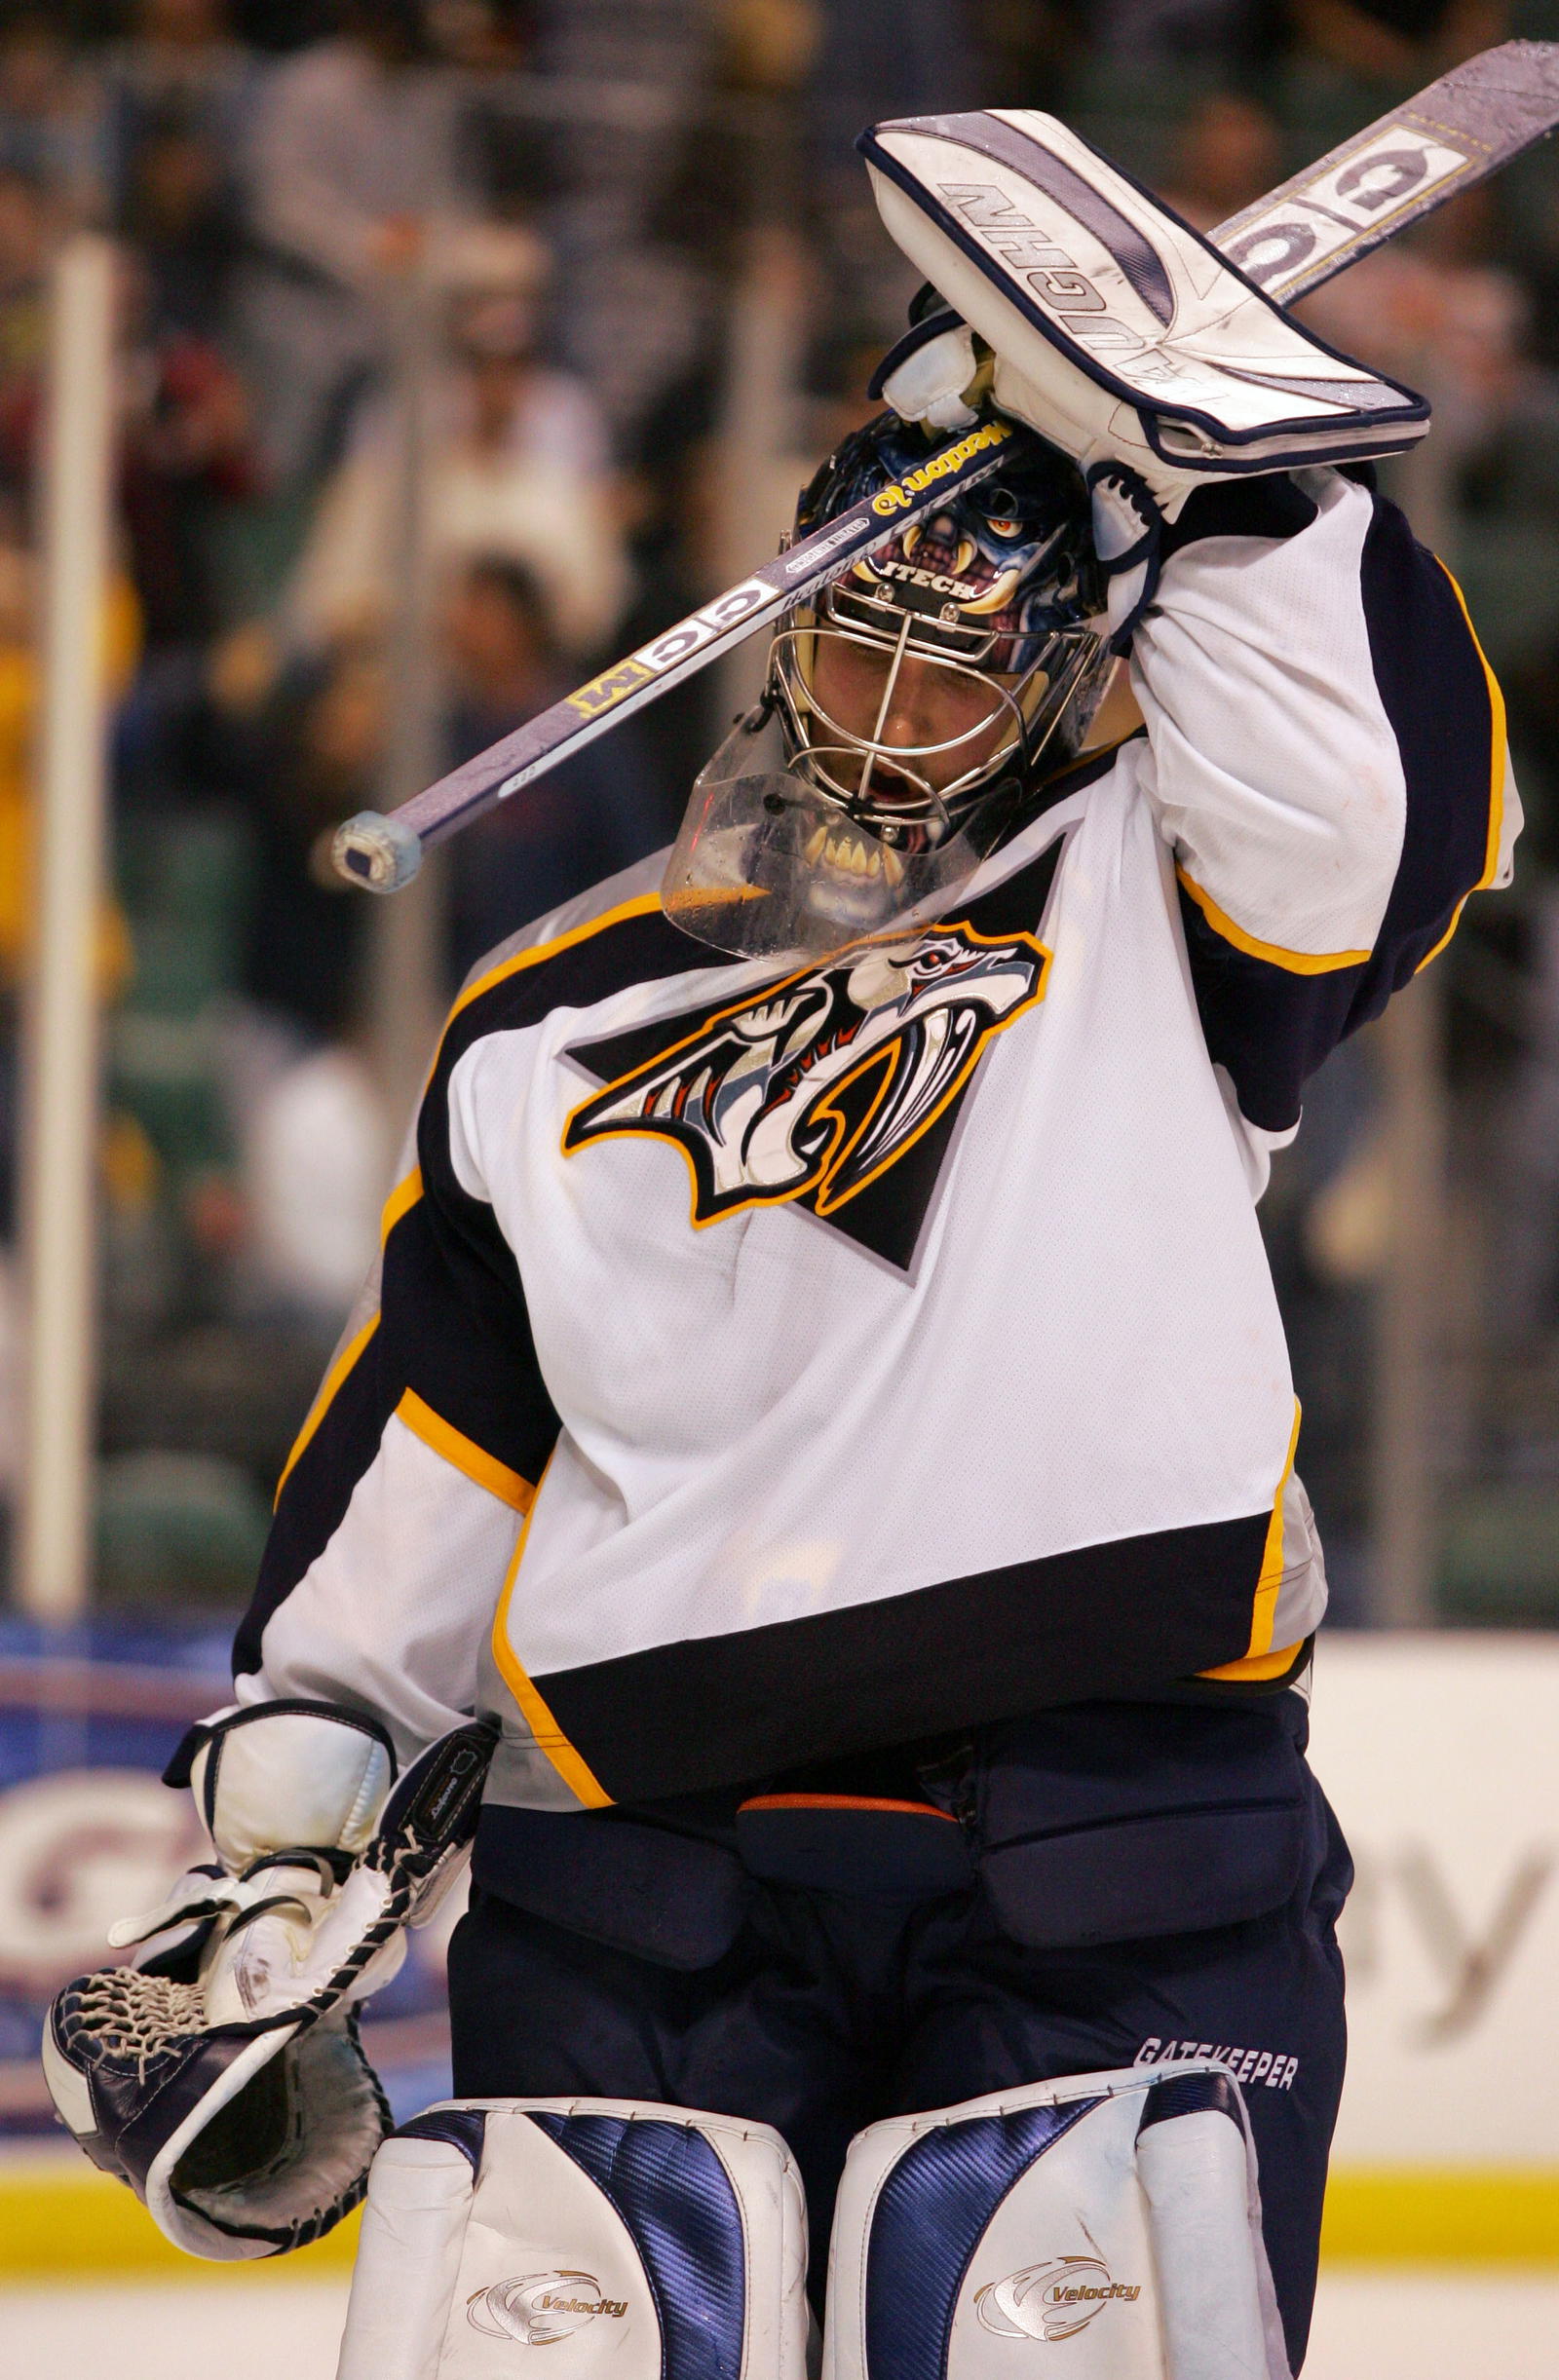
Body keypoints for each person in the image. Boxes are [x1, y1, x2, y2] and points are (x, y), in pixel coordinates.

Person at [54, 113, 1517, 2380]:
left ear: (1077, 671)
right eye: (864, 632)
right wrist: (293, 1829)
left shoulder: (1163, 894)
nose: (892, 703)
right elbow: (451, 1427)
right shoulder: (548, 1004)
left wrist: (1180, 465)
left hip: (1107, 1845)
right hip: (644, 1887)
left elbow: (1366, 798)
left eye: (966, 662)